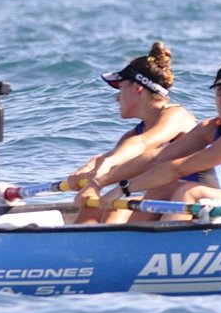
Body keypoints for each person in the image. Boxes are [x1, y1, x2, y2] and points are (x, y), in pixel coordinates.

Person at [91, 57, 221, 218]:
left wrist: (122, 189)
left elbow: (178, 168)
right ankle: (133, 250)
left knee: (190, 192)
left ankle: (162, 255)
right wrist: (99, 182)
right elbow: (156, 158)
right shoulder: (211, 128)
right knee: (161, 189)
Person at [68, 42, 197, 223]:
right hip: (168, 202)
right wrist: (86, 172)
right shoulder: (134, 133)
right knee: (96, 205)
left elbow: (144, 144)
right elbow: (114, 160)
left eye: (120, 88)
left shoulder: (176, 116)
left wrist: (99, 178)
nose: (116, 97)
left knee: (142, 198)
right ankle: (79, 245)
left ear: (138, 88)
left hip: (199, 201)